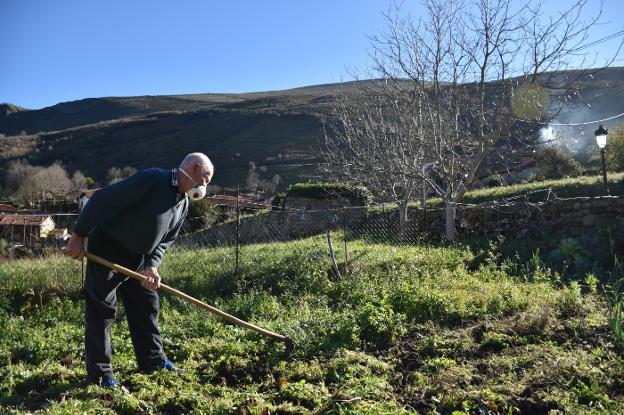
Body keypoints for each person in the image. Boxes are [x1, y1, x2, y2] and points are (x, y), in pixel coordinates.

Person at [66, 152, 214, 388]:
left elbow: (165, 241)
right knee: (101, 309)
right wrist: (79, 234)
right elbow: (103, 199)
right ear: (195, 169)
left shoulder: (183, 203)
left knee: (147, 305)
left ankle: (152, 360)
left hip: (139, 259)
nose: (205, 185)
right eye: (206, 178)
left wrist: (152, 265)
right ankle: (101, 374)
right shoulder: (154, 180)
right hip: (108, 248)